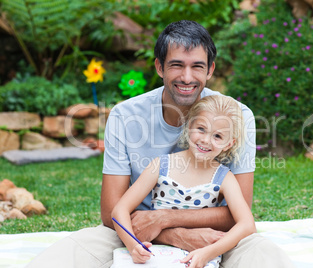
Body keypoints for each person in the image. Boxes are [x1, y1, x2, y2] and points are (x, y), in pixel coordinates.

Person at [27, 20, 295, 268]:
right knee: (64, 257)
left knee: (263, 255)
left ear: (211, 69)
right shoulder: (124, 116)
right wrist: (174, 235)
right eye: (177, 65)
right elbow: (111, 213)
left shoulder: (237, 116)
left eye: (197, 66)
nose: (187, 77)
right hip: (133, 231)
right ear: (159, 67)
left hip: (214, 237)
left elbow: (239, 214)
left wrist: (165, 220)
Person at [112, 95, 256, 267]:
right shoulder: (161, 165)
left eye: (217, 136)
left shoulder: (224, 178)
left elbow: (247, 225)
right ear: (189, 126)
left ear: (228, 144)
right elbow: (120, 209)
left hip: (200, 255)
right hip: (154, 252)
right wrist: (133, 245)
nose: (205, 140)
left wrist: (208, 252)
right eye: (201, 129)